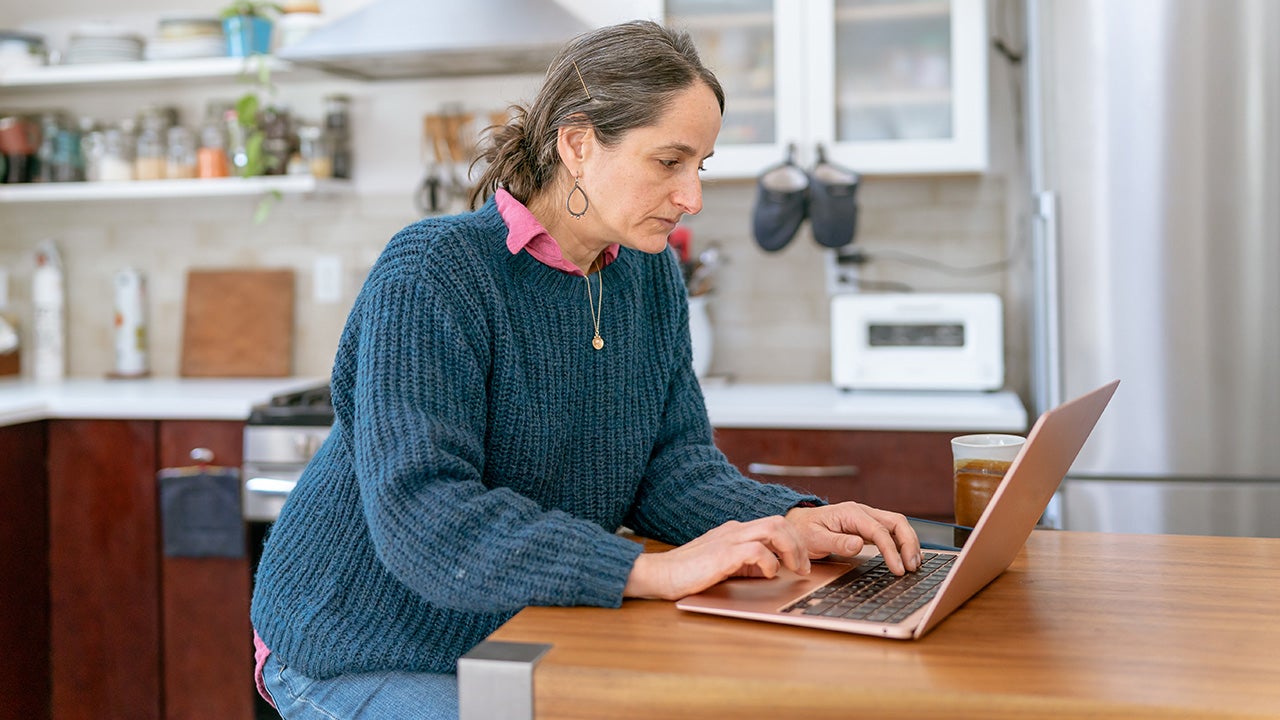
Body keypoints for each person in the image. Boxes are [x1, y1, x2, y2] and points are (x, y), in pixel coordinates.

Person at [250, 19, 922, 719]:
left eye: (702, 165)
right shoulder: (434, 271)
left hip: (512, 631)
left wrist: (789, 520)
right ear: (577, 144)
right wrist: (647, 571)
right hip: (360, 645)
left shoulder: (649, 273)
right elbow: (426, 514)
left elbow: (671, 469)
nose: (692, 196)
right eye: (669, 162)